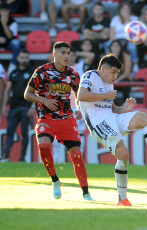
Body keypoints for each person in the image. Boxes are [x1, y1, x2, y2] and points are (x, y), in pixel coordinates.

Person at [77, 54, 147, 206]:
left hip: (112, 119)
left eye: (117, 73)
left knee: (146, 118)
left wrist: (124, 108)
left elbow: (111, 109)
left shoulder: (108, 84)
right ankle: (122, 198)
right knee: (124, 154)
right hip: (98, 124)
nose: (116, 76)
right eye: (114, 72)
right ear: (103, 69)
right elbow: (81, 95)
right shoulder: (90, 75)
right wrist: (106, 95)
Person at [23, 42, 94, 201]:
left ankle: (86, 192)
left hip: (66, 119)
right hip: (46, 118)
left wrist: (80, 109)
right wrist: (44, 100)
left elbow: (79, 95)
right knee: (43, 145)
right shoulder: (42, 71)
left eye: (68, 53)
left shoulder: (73, 74)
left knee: (76, 156)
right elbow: (27, 94)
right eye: (63, 53)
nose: (67, 56)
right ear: (55, 54)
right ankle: (55, 180)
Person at [0, 49, 35, 162]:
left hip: (26, 107)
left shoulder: (32, 73)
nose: (24, 59)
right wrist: (4, 106)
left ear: (28, 59)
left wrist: (33, 107)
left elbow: (37, 91)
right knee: (10, 132)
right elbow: (7, 90)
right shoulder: (13, 72)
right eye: (22, 57)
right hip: (14, 108)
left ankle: (23, 158)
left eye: (26, 57)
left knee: (25, 133)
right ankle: (5, 157)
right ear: (18, 58)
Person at [109, 1, 139, 73]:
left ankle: (135, 64)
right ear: (120, 10)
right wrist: (116, 43)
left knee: (132, 47)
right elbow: (112, 33)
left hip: (129, 39)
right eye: (123, 8)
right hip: (117, 39)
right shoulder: (115, 19)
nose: (125, 10)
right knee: (108, 45)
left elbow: (135, 33)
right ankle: (109, 63)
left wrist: (128, 20)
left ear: (130, 10)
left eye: (127, 8)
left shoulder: (135, 18)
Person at [109, 39, 132, 105]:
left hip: (122, 77)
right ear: (111, 48)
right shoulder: (107, 57)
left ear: (120, 47)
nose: (115, 48)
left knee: (125, 83)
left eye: (117, 46)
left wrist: (117, 80)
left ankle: (126, 103)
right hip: (111, 78)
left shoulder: (126, 56)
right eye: (114, 46)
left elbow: (126, 73)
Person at [0, 2, 21, 74]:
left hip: (8, 44)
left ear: (9, 11)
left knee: (16, 43)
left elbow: (10, 36)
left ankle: (13, 65)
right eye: (2, 11)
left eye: (6, 11)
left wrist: (4, 24)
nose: (4, 13)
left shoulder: (12, 22)